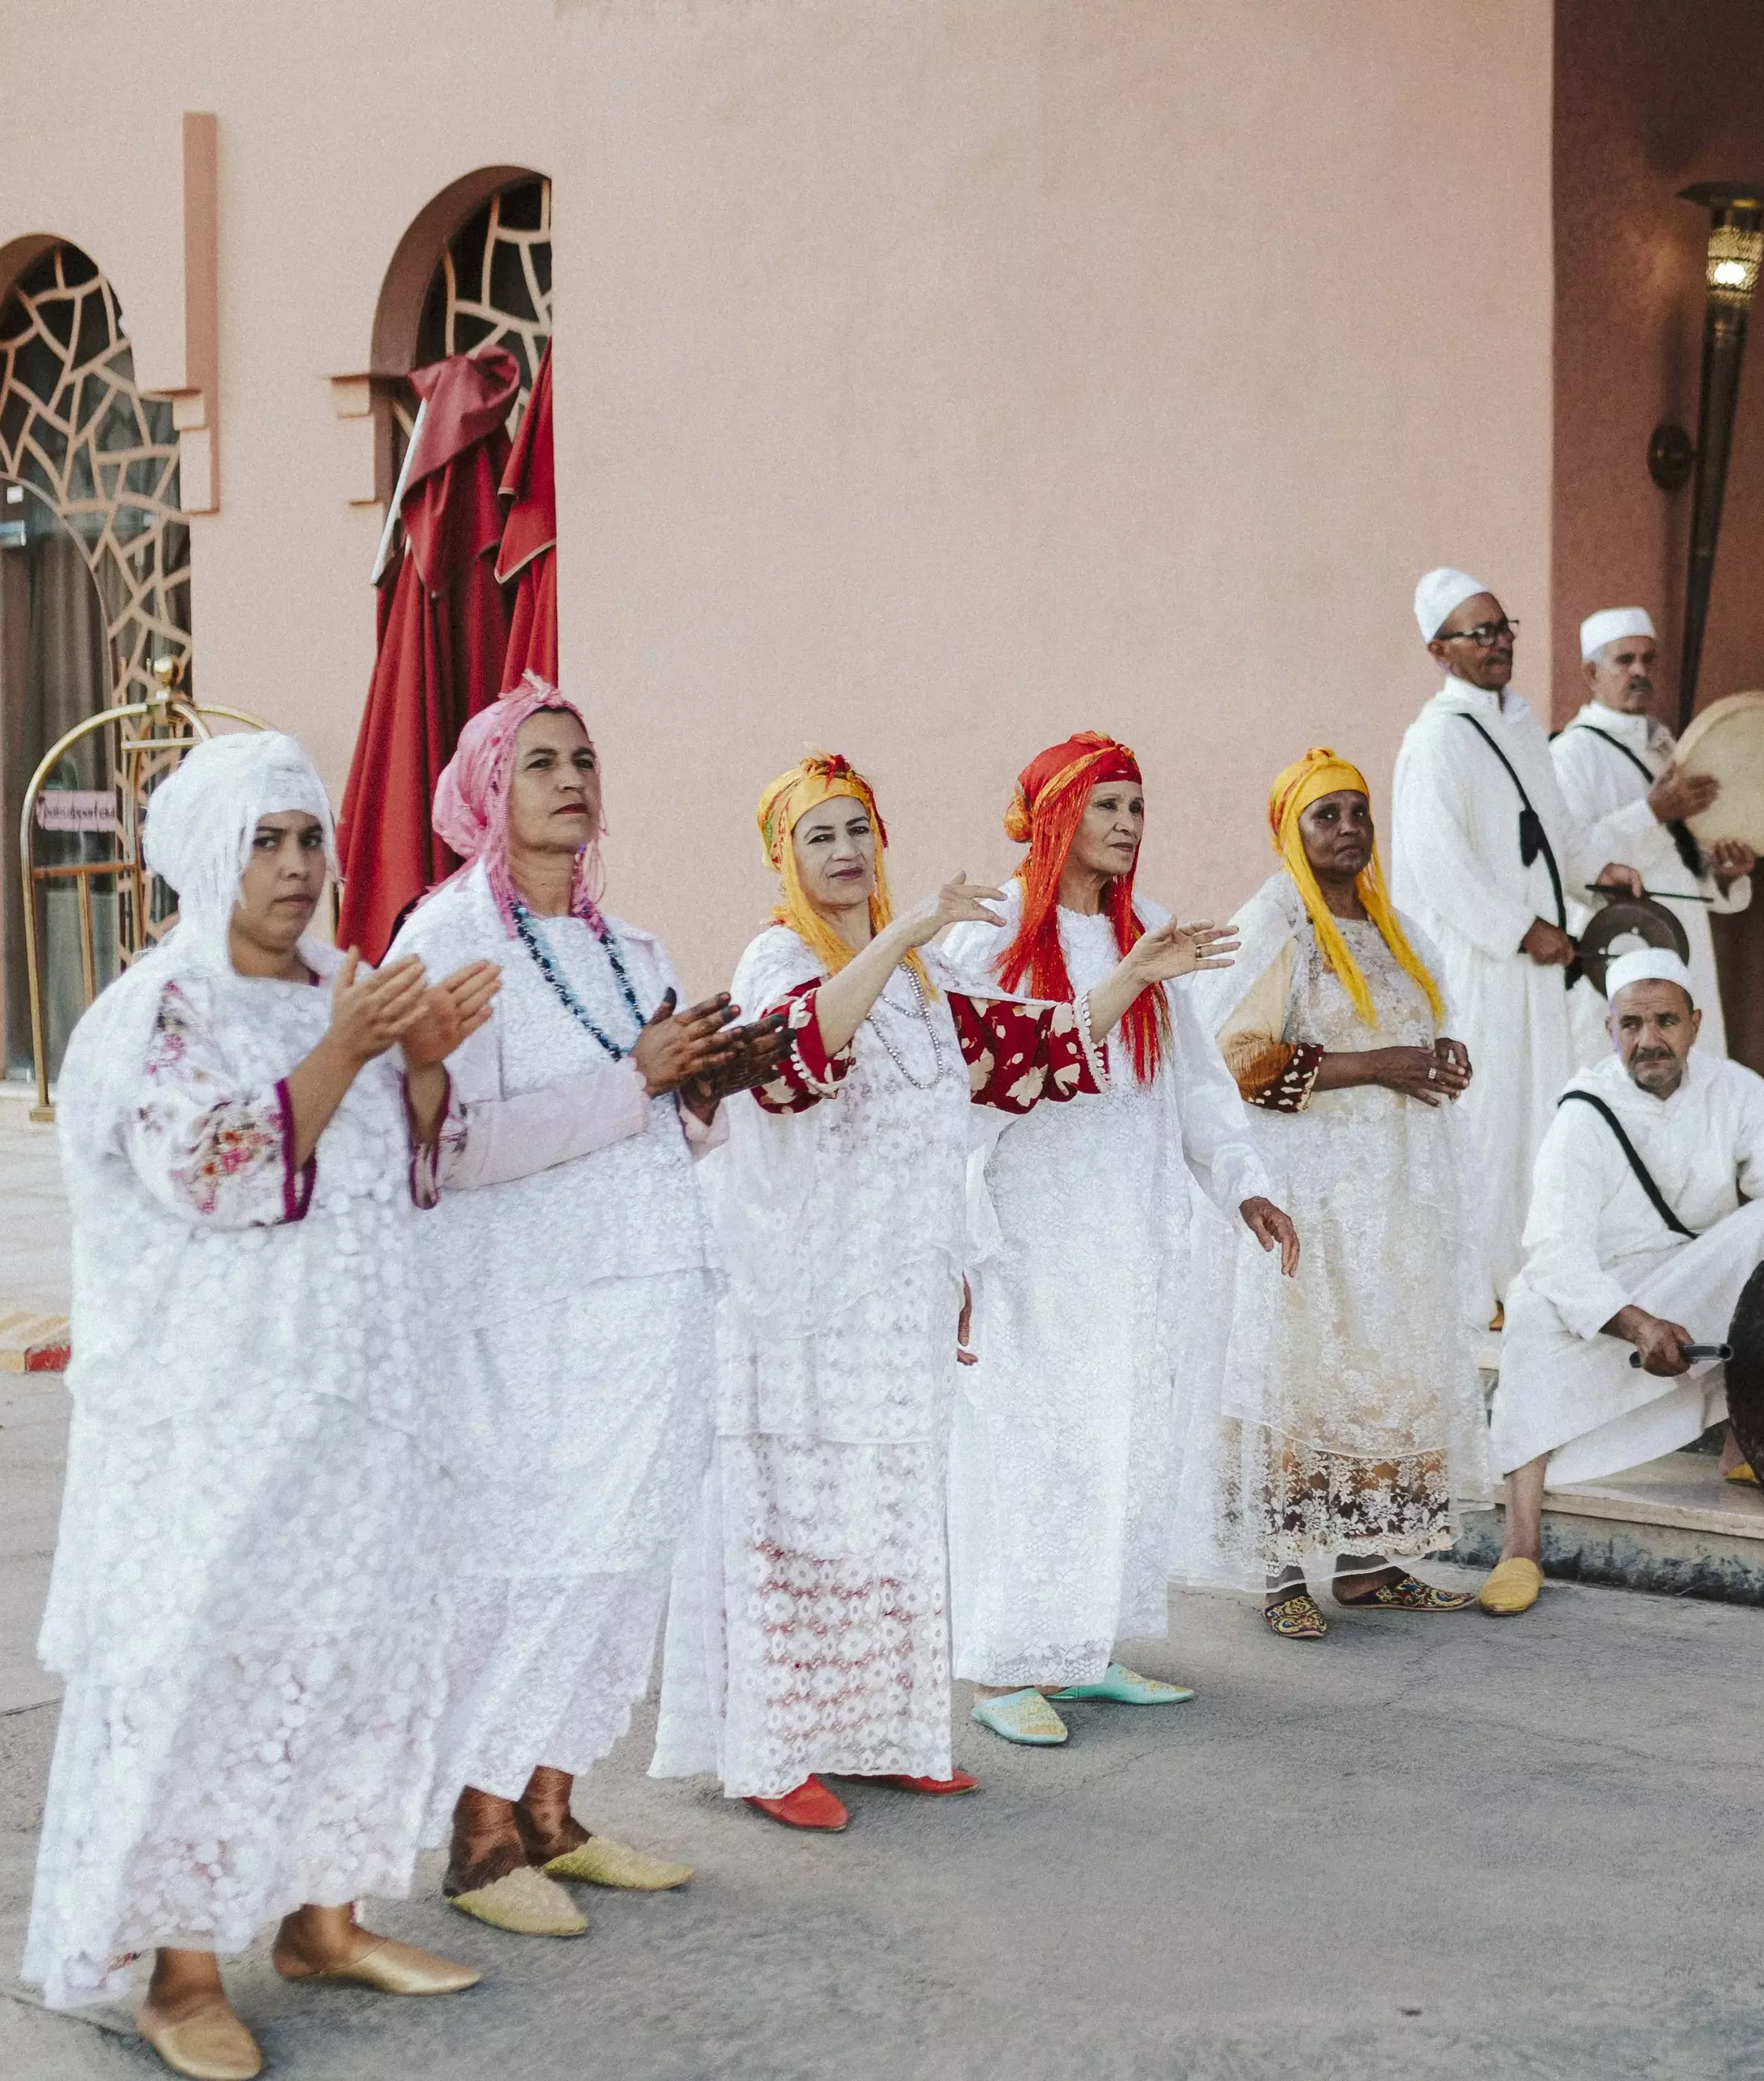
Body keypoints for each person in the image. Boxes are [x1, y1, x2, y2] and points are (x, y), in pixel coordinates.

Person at [23, 732, 500, 2080]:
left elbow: (424, 1174)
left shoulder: (345, 991)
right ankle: (180, 1978)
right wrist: (353, 1050)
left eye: (311, 841)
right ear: (203, 858)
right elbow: (216, 1171)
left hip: (359, 1412)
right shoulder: (160, 1012)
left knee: (351, 1660)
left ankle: (324, 1922)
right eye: (267, 842)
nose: (299, 868)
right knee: (209, 1676)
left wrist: (417, 1066)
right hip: (215, 1425)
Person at [654, 754, 1168, 1830]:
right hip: (800, 1304)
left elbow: (1037, 1050)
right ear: (785, 859)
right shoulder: (778, 957)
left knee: (886, 1527)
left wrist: (1134, 977)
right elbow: (796, 1060)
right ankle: (774, 1753)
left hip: (899, 1304)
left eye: (860, 832)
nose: (846, 854)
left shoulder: (926, 988)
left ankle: (882, 1736)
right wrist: (900, 936)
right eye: (821, 837)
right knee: (796, 1527)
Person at [391, 680, 778, 1939]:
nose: (570, 779)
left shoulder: (639, 950)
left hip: (656, 1292)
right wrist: (635, 1078)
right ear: (486, 794)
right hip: (528, 1308)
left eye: (585, 760)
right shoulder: (451, 939)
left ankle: (555, 1813)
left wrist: (713, 1085)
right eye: (539, 762)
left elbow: (665, 1130)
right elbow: (448, 1150)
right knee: (542, 1560)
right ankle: (480, 1832)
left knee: (619, 1559)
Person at [938, 732, 1301, 1748]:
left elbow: (1195, 1085)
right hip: (1033, 1233)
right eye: (1107, 806)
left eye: (1138, 807)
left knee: (1118, 1437)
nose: (1128, 825)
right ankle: (1008, 1665)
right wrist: (961, 1241)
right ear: (1057, 815)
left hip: (1132, 1235)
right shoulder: (999, 929)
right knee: (1034, 1443)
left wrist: (1244, 1186)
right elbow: (976, 1080)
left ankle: (1082, 1647)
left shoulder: (1144, 934)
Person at [1188, 748, 1486, 1639]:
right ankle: (1279, 1577)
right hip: (1309, 1196)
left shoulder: (1400, 930)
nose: (1350, 829)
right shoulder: (1277, 923)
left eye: (1359, 812)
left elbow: (1422, 1032)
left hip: (1393, 1199)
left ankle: (1369, 1565)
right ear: (1291, 830)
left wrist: (1442, 1057)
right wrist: (1375, 1067)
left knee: (1386, 1369)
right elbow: (1235, 1061)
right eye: (1328, 815)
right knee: (1300, 1373)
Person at [1476, 948, 1764, 1618]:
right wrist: (1636, 1323)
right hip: (1606, 1293)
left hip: (1690, 1272)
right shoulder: (1582, 1114)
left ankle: (1743, 1444)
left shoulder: (1734, 1090)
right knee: (1530, 1311)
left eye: (1666, 1021)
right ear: (1609, 1031)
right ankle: (1520, 1542)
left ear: (1695, 1025)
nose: (1650, 1040)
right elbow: (1555, 1251)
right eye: (1633, 1024)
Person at [1391, 570, 1644, 1302]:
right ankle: (1475, 1294)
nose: (1500, 643)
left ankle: (1531, 1283)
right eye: (1480, 633)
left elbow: (1556, 831)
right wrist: (1520, 929)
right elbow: (1441, 867)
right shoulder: (1435, 742)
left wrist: (1601, 869)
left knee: (1540, 1117)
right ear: (1440, 651)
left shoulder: (1521, 723)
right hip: (1479, 969)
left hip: (1534, 967)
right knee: (1488, 1123)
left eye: (1504, 628)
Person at [1547, 606, 1756, 1054]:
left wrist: (1723, 873)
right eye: (1624, 660)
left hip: (1685, 933)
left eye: (1648, 659)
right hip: (1620, 939)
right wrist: (1652, 811)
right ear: (1591, 673)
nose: (1640, 671)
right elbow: (1571, 856)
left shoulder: (1669, 748)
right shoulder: (1570, 754)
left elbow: (1686, 855)